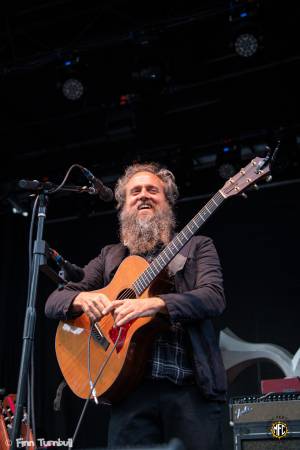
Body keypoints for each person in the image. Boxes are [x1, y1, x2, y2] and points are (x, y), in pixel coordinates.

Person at [45, 162, 227, 450]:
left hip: (190, 392)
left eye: (152, 190)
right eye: (135, 191)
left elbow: (213, 297)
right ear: (123, 207)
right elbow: (54, 301)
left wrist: (155, 304)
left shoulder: (196, 246)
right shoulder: (110, 257)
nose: (143, 195)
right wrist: (80, 299)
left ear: (167, 202)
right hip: (130, 394)